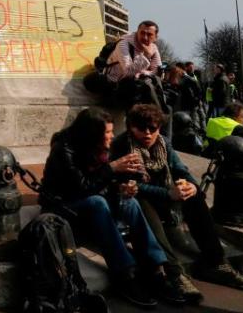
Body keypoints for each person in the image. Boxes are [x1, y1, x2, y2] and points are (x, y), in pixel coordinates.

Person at [111, 104, 243, 301]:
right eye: (141, 128)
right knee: (141, 201)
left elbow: (180, 168)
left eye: (152, 129)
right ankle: (174, 272)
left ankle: (215, 261)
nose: (147, 134)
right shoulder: (122, 146)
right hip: (137, 198)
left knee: (192, 196)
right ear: (131, 128)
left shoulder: (163, 144)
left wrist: (191, 186)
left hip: (165, 195)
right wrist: (168, 193)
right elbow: (130, 185)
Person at [39, 107, 180, 308]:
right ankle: (124, 273)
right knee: (97, 202)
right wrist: (112, 168)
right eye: (107, 132)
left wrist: (122, 187)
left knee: (130, 203)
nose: (112, 136)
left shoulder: (101, 148)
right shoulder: (64, 149)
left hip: (92, 201)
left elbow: (103, 184)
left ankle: (156, 267)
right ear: (92, 133)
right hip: (63, 205)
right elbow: (82, 187)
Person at [105, 21, 171, 136]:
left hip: (138, 87)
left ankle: (162, 140)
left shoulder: (153, 47)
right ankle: (158, 125)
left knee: (166, 107)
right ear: (137, 32)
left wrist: (142, 72)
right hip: (116, 87)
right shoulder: (124, 44)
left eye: (149, 34)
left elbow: (158, 73)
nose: (145, 37)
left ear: (155, 37)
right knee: (142, 98)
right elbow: (128, 72)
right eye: (142, 33)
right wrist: (146, 55)